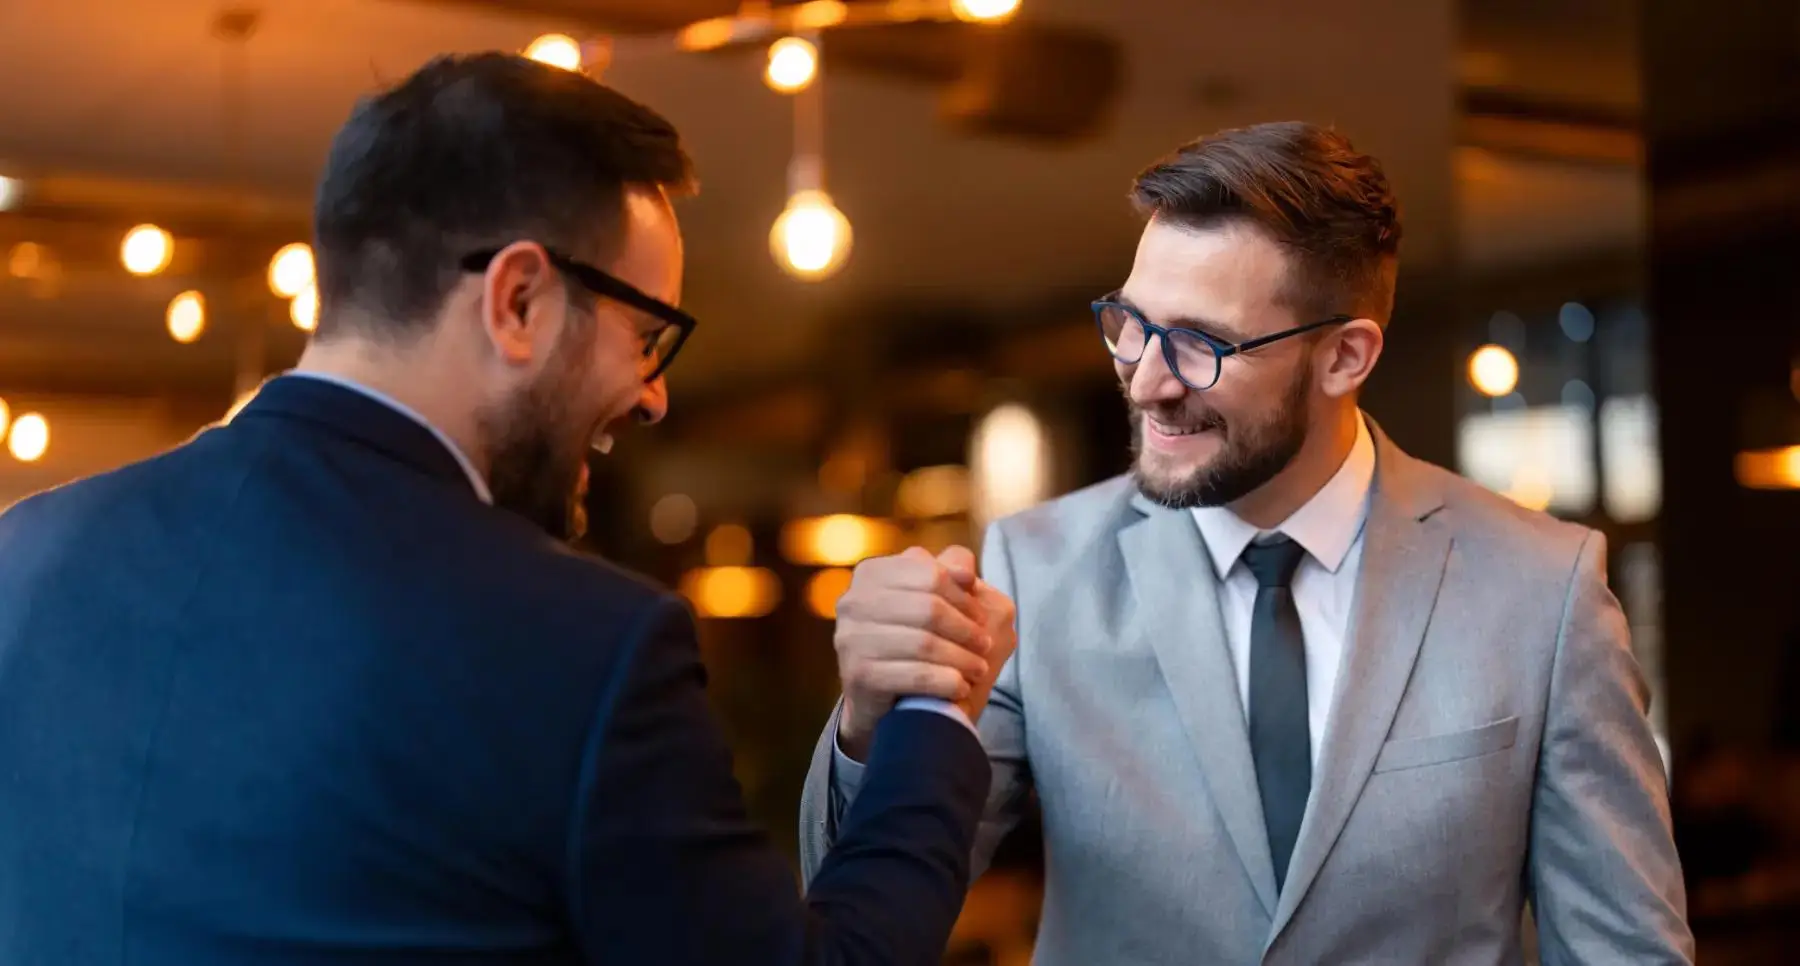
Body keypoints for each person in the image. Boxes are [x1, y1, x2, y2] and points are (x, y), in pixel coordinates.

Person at [0, 53, 1015, 966]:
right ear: (519, 300)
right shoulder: (583, 648)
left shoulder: (28, 553)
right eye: (646, 332)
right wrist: (936, 707)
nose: (655, 392)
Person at [800, 122, 1696, 964]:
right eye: (1130, 323)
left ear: (1345, 356)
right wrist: (869, 724)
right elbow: (863, 921)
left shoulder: (1543, 587)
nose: (1146, 380)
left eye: (1199, 344)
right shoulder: (1033, 572)